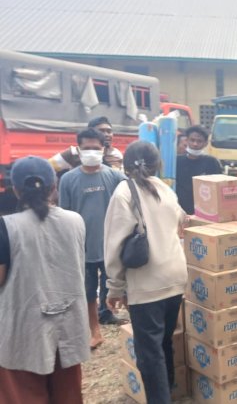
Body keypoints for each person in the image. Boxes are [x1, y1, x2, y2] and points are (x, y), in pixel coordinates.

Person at [0, 157, 89, 404]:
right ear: (54, 187)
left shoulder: (6, 227)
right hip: (68, 328)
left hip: (23, 330)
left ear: (15, 190)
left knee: (23, 394)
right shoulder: (76, 221)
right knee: (68, 394)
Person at [104, 141, 188, 403]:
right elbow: (181, 221)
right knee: (163, 341)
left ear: (125, 164)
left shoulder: (123, 193)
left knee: (149, 352)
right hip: (175, 275)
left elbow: (115, 243)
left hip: (147, 282)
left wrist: (114, 287)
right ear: (158, 164)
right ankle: (170, 387)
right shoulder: (165, 189)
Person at [59, 128, 127, 349]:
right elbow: (64, 215)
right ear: (78, 150)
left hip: (111, 247)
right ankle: (94, 331)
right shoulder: (68, 179)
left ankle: (120, 321)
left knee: (117, 286)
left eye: (95, 149)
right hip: (82, 248)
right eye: (86, 148)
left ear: (104, 149)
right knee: (88, 291)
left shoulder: (116, 177)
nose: (90, 152)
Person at [49, 116, 124, 173]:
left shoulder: (116, 154)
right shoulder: (73, 153)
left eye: (109, 131)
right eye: (101, 131)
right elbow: (47, 168)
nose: (106, 134)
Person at [175, 126, 222, 214]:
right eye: (192, 140)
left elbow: (218, 188)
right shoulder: (177, 161)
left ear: (205, 143)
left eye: (199, 141)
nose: (195, 144)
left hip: (204, 210)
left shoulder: (212, 162)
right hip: (180, 209)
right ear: (187, 141)